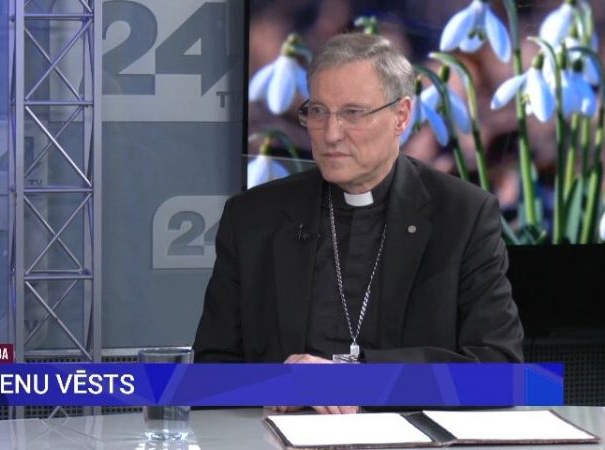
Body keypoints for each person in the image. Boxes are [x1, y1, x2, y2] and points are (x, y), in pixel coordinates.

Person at [193, 33, 524, 414]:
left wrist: (361, 381)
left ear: (402, 116)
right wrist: (275, 385)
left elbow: (501, 376)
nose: (331, 134)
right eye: (318, 111)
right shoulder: (253, 217)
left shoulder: (463, 215)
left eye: (353, 113)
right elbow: (209, 374)